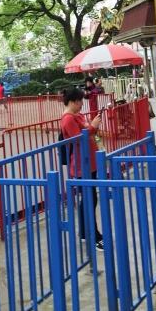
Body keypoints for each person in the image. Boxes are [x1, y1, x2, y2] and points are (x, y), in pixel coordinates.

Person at [59, 87, 103, 251]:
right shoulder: (68, 119)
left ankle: (85, 233)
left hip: (89, 162)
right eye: (79, 102)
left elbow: (87, 131)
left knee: (90, 199)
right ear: (72, 102)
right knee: (89, 199)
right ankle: (93, 236)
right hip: (80, 165)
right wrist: (93, 126)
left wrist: (93, 125)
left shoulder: (78, 115)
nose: (81, 104)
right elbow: (78, 138)